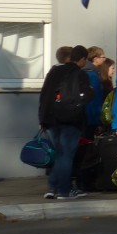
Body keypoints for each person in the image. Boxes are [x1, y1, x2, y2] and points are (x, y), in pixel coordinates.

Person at [37, 44, 92, 200]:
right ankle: (64, 191)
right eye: (85, 60)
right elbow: (85, 97)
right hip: (71, 121)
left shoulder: (54, 71)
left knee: (59, 155)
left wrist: (42, 118)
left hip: (51, 119)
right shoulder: (81, 75)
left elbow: (45, 95)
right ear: (81, 59)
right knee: (66, 156)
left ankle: (52, 188)